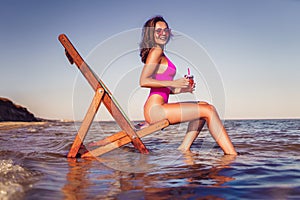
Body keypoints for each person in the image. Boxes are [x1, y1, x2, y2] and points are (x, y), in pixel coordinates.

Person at [139, 16, 237, 155]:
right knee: (208, 111)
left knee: (204, 105)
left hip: (158, 107)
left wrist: (182, 89)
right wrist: (173, 82)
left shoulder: (160, 52)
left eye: (165, 30)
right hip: (156, 110)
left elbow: (162, 89)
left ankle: (184, 148)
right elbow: (143, 81)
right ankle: (232, 155)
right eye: (158, 31)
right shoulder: (156, 51)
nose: (163, 33)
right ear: (151, 34)